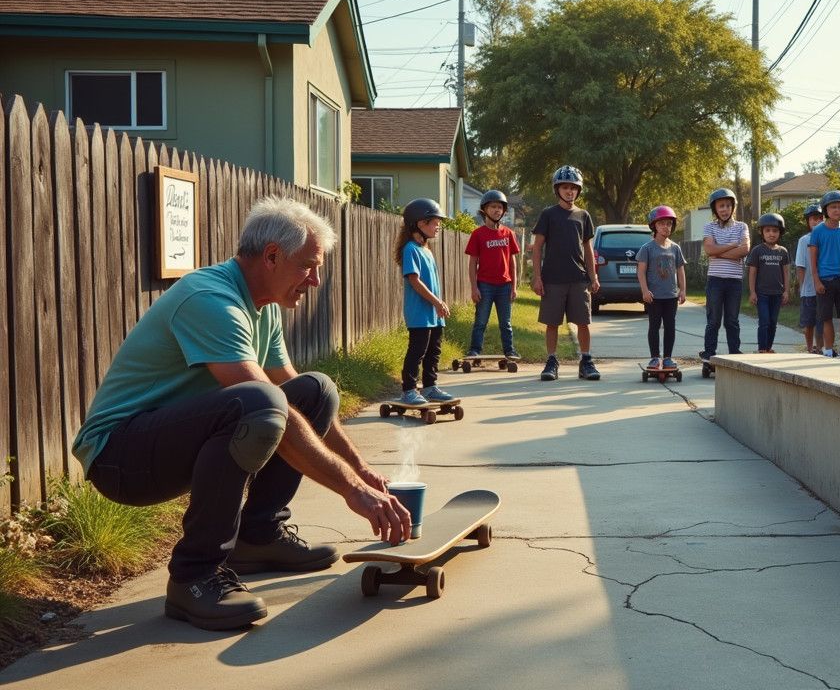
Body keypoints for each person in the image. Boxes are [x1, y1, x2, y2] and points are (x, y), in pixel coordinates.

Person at [72, 197, 410, 632]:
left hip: (165, 440)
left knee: (315, 390)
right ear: (272, 256)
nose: (316, 280)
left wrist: (361, 469)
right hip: (120, 458)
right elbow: (273, 411)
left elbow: (293, 393)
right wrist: (352, 491)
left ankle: (257, 536)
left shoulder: (261, 304)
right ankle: (195, 576)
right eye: (309, 266)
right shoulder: (210, 298)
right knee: (260, 403)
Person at [531, 165, 601, 381]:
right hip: (553, 279)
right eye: (565, 187)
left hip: (578, 279)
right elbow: (537, 247)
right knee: (552, 323)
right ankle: (551, 361)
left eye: (573, 188)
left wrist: (593, 275)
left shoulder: (583, 215)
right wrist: (537, 276)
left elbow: (588, 248)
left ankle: (586, 361)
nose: (569, 191)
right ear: (557, 189)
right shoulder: (548, 215)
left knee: (583, 322)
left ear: (578, 191)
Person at [396, 198, 456, 405]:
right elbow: (415, 281)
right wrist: (438, 302)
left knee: (433, 352)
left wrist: (438, 305)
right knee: (417, 352)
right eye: (435, 222)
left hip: (434, 314)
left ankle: (430, 387)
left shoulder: (427, 250)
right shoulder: (410, 249)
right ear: (420, 223)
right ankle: (409, 390)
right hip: (420, 313)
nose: (438, 226)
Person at [465, 189, 521, 360]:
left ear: (503, 211)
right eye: (493, 207)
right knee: (481, 321)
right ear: (485, 210)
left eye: (500, 207)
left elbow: (512, 262)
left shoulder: (508, 234)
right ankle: (475, 350)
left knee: (506, 323)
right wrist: (474, 288)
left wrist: (514, 286)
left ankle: (509, 350)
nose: (497, 210)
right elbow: (473, 262)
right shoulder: (477, 234)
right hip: (485, 285)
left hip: (505, 285)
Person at [699, 187, 750, 362]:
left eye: (728, 205)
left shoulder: (742, 227)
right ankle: (709, 353)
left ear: (733, 207)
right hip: (715, 281)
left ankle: (734, 353)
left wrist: (718, 252)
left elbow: (744, 250)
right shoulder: (709, 227)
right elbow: (708, 249)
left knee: (732, 320)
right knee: (713, 320)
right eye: (721, 206)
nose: (724, 209)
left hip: (734, 281)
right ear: (715, 208)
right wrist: (732, 245)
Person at [636, 205, 687, 370]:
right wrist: (644, 290)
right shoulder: (647, 248)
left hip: (670, 296)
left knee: (670, 327)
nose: (666, 227)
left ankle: (667, 358)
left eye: (669, 224)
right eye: (662, 223)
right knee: (654, 326)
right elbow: (641, 272)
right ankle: (654, 357)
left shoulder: (675, 248)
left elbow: (680, 270)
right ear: (654, 226)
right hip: (654, 296)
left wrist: (683, 290)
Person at [809, 190, 840, 359]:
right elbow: (813, 258)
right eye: (833, 207)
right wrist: (816, 280)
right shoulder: (818, 231)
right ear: (826, 210)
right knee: (826, 317)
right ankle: (828, 349)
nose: (837, 210)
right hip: (824, 280)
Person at [747, 213, 791, 353]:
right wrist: (753, 292)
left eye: (775, 231)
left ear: (780, 232)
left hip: (777, 294)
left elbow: (786, 272)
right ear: (762, 232)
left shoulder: (783, 252)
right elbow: (752, 272)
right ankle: (762, 348)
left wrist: (786, 291)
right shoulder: (757, 251)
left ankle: (769, 347)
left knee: (773, 322)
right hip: (762, 294)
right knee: (764, 322)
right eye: (768, 230)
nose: (771, 234)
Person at [794, 203, 824, 354]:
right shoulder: (804, 240)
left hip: (824, 286)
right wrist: (802, 285)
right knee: (809, 322)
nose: (816, 221)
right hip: (809, 287)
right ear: (808, 221)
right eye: (813, 219)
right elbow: (800, 265)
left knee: (822, 320)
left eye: (819, 218)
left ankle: (820, 347)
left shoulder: (826, 237)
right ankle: (809, 347)